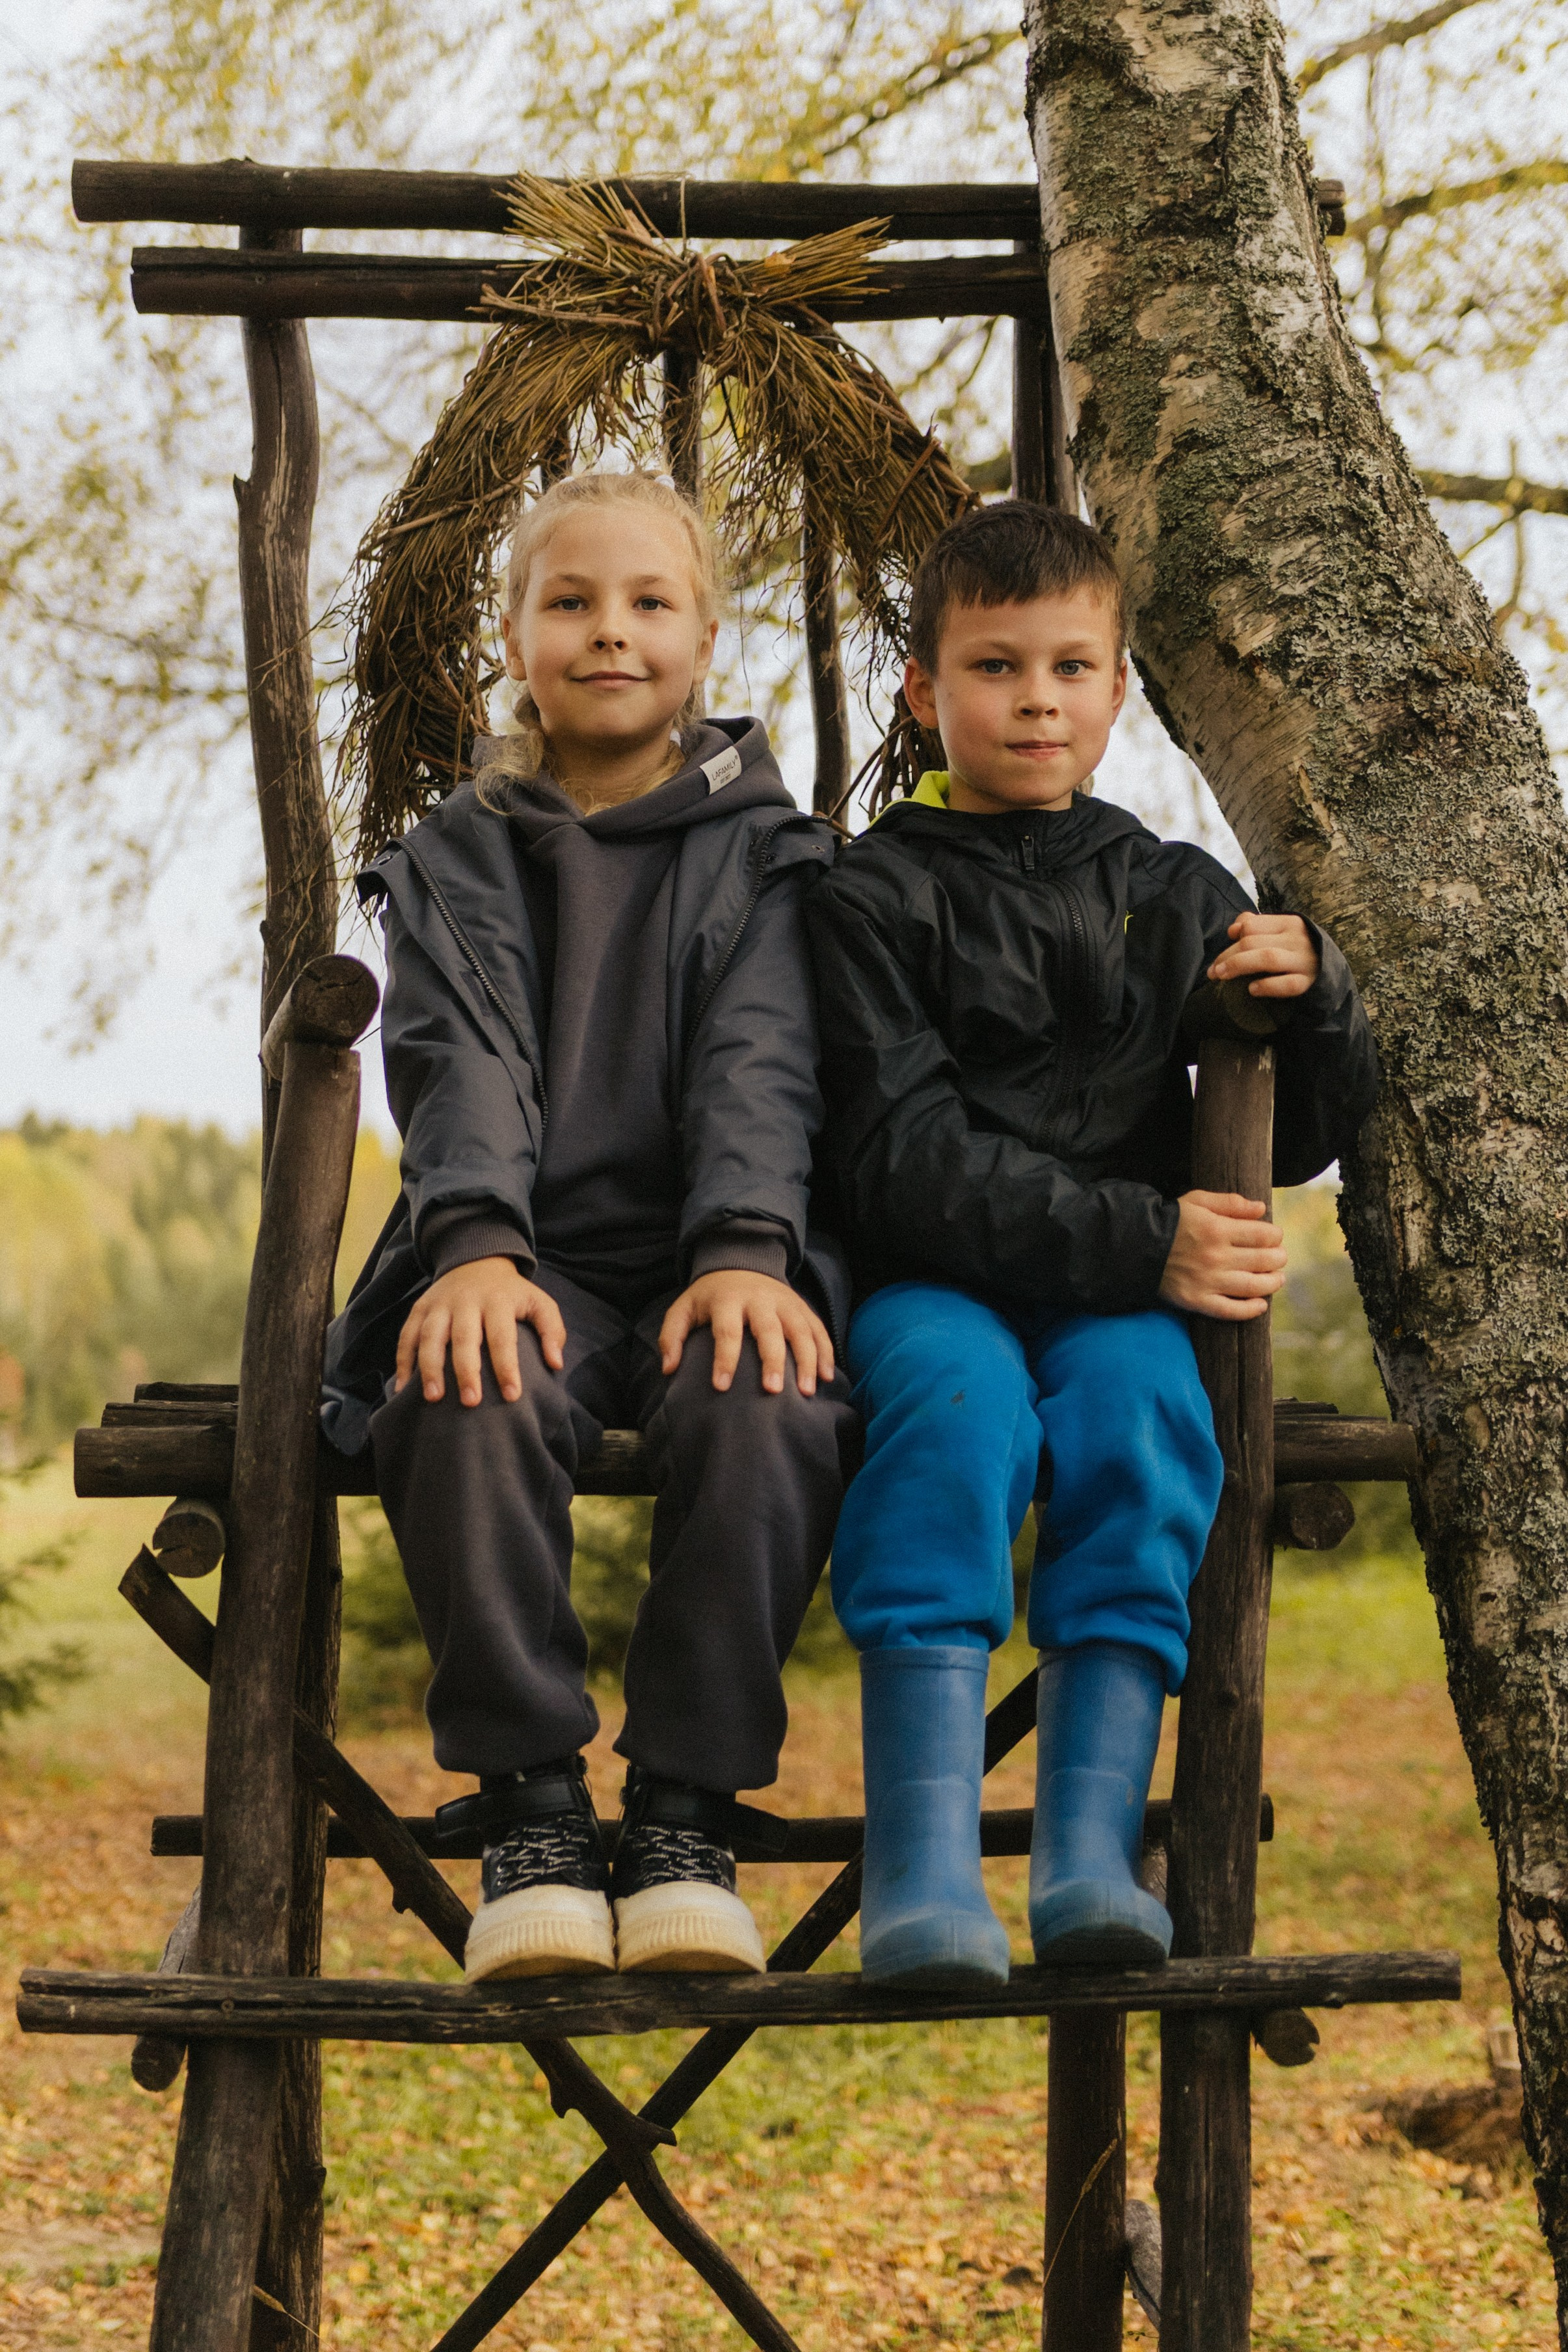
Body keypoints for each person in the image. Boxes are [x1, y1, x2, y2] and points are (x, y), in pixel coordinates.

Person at [806, 500, 1378, 1988]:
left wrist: (1317, 996)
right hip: (934, 1285)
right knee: (952, 1415)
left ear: (1120, 688)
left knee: (1144, 1417)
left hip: (1119, 1304)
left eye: (1072, 666)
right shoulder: (869, 894)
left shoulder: (1174, 890)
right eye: (997, 667)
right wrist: (1147, 1239)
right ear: (927, 690)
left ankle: (1085, 1853)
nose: (1039, 698)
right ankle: (925, 1865)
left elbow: (1301, 1135)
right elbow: (898, 1160)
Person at [324, 468, 855, 1985]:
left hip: (715, 1251)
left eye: (647, 603)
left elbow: (766, 1059)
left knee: (772, 1399)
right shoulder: (457, 853)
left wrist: (750, 1246)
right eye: (570, 602)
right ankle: (535, 1808)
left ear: (702, 642)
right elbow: (453, 1060)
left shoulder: (773, 852)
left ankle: (689, 1810)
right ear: (515, 635)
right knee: (459, 1388)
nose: (607, 632)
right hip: (520, 1257)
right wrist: (476, 1244)